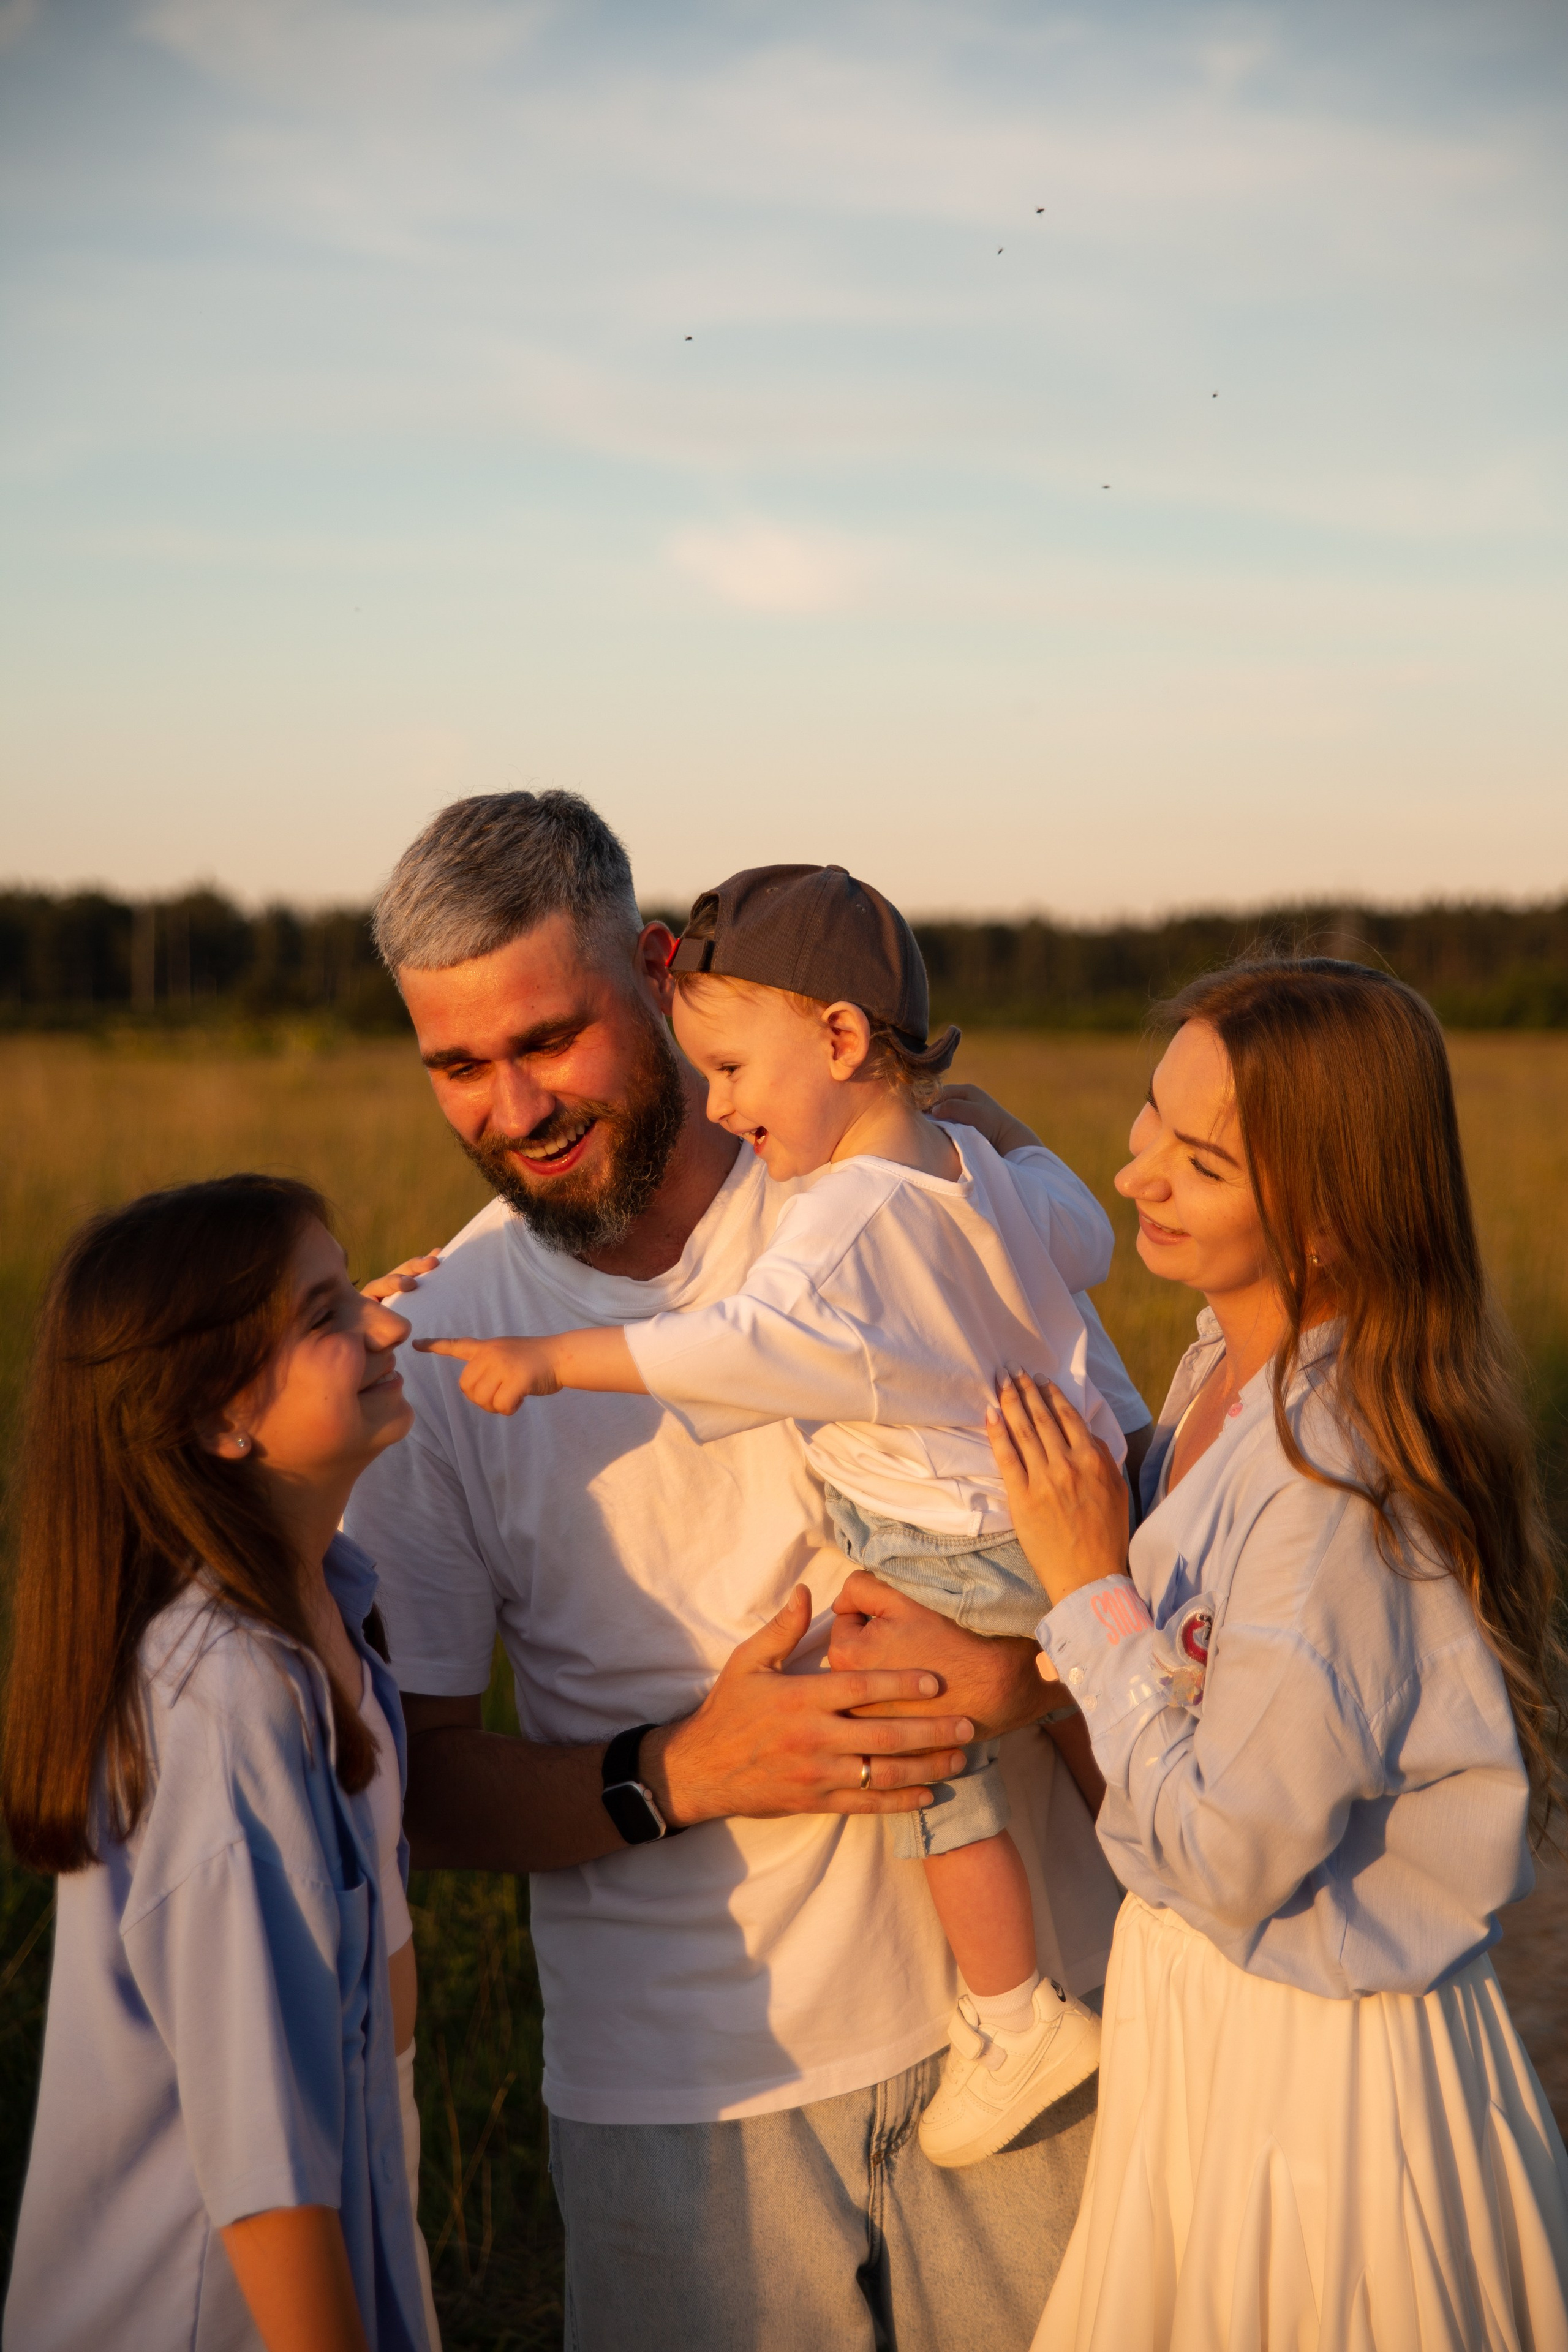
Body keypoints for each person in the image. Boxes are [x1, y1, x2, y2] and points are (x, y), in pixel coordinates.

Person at [345, 791, 1151, 2352]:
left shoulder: (907, 1186)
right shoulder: (448, 1350)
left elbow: (1119, 1516)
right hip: (686, 2099)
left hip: (1036, 2024)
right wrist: (680, 1772)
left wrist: (1015, 1674)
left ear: (656, 969)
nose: (511, 1109)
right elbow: (422, 1791)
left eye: (547, 1040)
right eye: (458, 1065)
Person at [979, 959, 1568, 2351]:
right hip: (1207, 2013)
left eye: (1197, 1162)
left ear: (1327, 1212)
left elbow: (1235, 1849)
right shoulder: (1216, 1374)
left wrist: (1082, 1591)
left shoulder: (1335, 1483)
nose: (1135, 1179)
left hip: (1321, 2070)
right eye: (1145, 1120)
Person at [2, 1176, 436, 2352]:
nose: (387, 1326)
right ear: (218, 1419)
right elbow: (268, 2172)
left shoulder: (328, 1624)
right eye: (328, 1315)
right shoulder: (224, 1701)